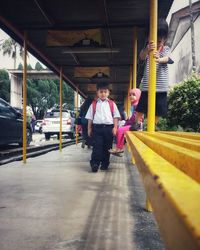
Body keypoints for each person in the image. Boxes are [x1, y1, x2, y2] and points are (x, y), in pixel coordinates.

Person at [131, 19, 171, 130]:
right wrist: (147, 50)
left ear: (164, 40)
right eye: (152, 41)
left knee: (159, 107)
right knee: (142, 106)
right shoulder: (147, 50)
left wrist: (160, 58)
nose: (156, 44)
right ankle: (137, 123)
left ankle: (152, 124)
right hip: (147, 86)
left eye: (159, 41)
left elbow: (168, 59)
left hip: (161, 86)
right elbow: (141, 57)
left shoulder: (165, 49)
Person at [85, 83, 121, 172]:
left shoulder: (112, 104)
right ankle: (95, 164)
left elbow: (115, 117)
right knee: (97, 146)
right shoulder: (94, 104)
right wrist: (89, 128)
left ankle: (105, 164)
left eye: (105, 92)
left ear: (108, 93)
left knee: (107, 147)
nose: (103, 94)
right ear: (97, 93)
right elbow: (90, 117)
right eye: (101, 92)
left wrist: (115, 127)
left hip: (109, 128)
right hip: (97, 128)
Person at [109, 88, 142, 155]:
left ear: (138, 96)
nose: (131, 96)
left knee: (120, 130)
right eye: (130, 95)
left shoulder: (137, 105)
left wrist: (127, 122)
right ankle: (119, 147)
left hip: (136, 126)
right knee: (120, 130)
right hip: (134, 125)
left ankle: (119, 148)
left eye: (134, 95)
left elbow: (134, 117)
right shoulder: (134, 105)